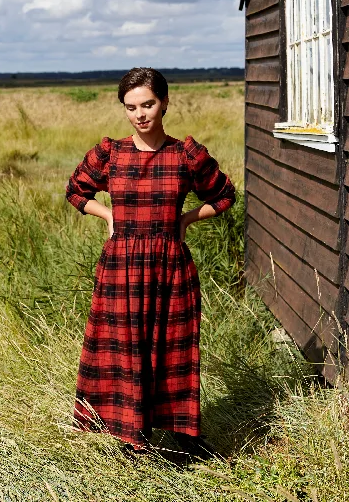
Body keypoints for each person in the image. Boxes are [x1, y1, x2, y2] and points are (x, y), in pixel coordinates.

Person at [65, 67, 235, 453]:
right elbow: (76, 191)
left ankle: (183, 436)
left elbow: (225, 195)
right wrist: (107, 214)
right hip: (121, 265)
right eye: (130, 107)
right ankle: (131, 433)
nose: (140, 114)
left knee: (173, 347)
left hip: (169, 264)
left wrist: (188, 218)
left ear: (165, 103)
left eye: (148, 104)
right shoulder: (110, 153)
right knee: (125, 349)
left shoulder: (186, 154)